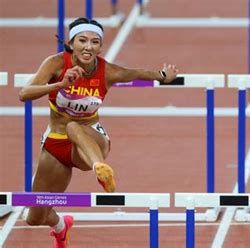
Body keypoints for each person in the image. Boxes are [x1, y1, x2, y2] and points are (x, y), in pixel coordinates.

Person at [18, 17, 178, 247]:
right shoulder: (55, 64)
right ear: (71, 43)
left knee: (74, 126)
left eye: (95, 42)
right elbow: (24, 94)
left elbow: (136, 73)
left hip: (92, 140)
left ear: (100, 46)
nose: (89, 46)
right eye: (82, 40)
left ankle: (100, 170)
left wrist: (163, 76)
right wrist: (59, 85)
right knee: (35, 218)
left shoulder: (107, 71)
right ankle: (62, 226)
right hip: (55, 143)